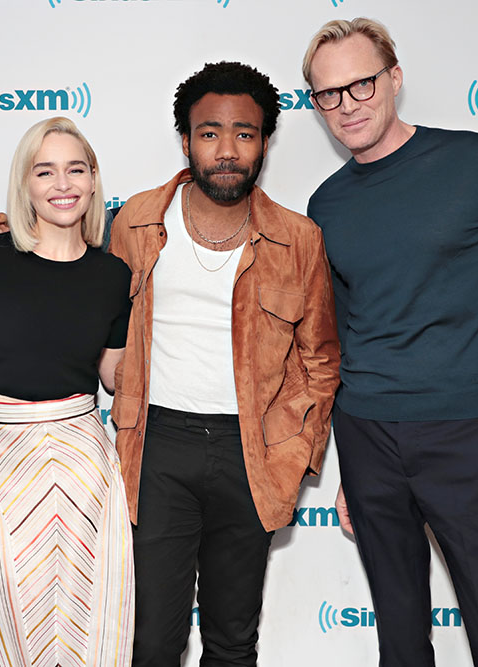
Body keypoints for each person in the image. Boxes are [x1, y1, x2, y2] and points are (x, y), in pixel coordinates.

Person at [302, 18, 478, 667]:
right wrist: (346, 466)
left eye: (360, 84)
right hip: (368, 441)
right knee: (399, 642)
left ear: (394, 77)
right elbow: (338, 339)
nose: (347, 105)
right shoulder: (326, 205)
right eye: (328, 94)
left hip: (466, 436)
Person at [110, 61, 341, 666]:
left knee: (233, 641)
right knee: (151, 641)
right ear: (186, 140)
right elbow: (65, 268)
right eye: (210, 132)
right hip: (157, 447)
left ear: (264, 141)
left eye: (245, 132)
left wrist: (297, 454)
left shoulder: (299, 239)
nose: (228, 149)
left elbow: (320, 360)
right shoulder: (135, 222)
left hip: (253, 452)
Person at [0, 117, 135, 667]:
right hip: (1, 458)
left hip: (85, 464)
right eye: (46, 170)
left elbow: (113, 376)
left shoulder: (113, 274)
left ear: (94, 179)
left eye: (76, 169)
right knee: (2, 617)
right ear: (25, 183)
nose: (63, 184)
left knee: (88, 622)